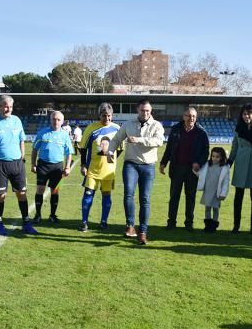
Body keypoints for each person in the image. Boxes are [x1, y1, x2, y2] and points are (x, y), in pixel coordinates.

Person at [108, 99, 165, 245]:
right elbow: (116, 139)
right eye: (142, 110)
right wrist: (109, 151)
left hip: (148, 165)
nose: (145, 113)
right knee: (128, 194)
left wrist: (139, 140)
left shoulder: (157, 125)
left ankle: (143, 232)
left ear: (151, 111)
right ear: (137, 110)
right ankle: (130, 226)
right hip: (131, 164)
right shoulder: (128, 124)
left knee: (145, 199)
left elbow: (159, 141)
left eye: (147, 110)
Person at [0, 95, 38, 236]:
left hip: (17, 163)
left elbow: (22, 140)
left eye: (10, 107)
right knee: (1, 195)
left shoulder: (17, 120)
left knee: (22, 193)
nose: (8, 109)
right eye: (5, 106)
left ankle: (26, 222)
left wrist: (22, 156)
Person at [159, 106, 210, 231]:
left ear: (196, 118)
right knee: (174, 196)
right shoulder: (176, 129)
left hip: (192, 171)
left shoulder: (202, 132)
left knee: (190, 197)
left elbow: (205, 152)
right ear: (183, 117)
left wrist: (199, 162)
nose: (191, 118)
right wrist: (163, 162)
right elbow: (169, 148)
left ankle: (189, 223)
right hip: (176, 168)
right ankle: (171, 222)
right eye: (188, 115)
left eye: (193, 116)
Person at [78, 103, 121, 232]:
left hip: (108, 171)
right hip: (92, 169)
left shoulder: (117, 129)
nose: (106, 118)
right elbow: (83, 148)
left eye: (109, 116)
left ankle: (104, 222)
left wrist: (111, 160)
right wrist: (83, 164)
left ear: (112, 115)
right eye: (104, 116)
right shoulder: (91, 128)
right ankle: (84, 222)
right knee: (88, 194)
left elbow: (120, 149)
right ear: (99, 115)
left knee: (106, 195)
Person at [228, 103, 252, 235]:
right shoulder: (238, 128)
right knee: (238, 197)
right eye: (244, 114)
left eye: (249, 113)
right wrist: (229, 163)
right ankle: (236, 226)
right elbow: (234, 147)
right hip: (240, 164)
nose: (247, 116)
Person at [31, 110, 74, 223]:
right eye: (54, 119)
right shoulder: (42, 133)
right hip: (43, 165)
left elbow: (69, 153)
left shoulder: (65, 135)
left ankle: (52, 215)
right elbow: (35, 149)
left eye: (58, 119)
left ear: (62, 121)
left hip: (57, 167)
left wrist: (68, 167)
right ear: (50, 120)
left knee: (55, 191)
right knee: (40, 190)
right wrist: (33, 164)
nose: (56, 121)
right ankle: (38, 215)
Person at [196, 147, 230, 233]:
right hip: (208, 190)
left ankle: (213, 226)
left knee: (215, 208)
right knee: (207, 208)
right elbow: (201, 174)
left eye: (217, 156)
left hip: (216, 192)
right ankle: (207, 226)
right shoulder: (207, 165)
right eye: (213, 156)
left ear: (222, 157)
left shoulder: (225, 168)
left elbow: (226, 182)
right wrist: (195, 171)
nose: (215, 158)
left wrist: (223, 193)